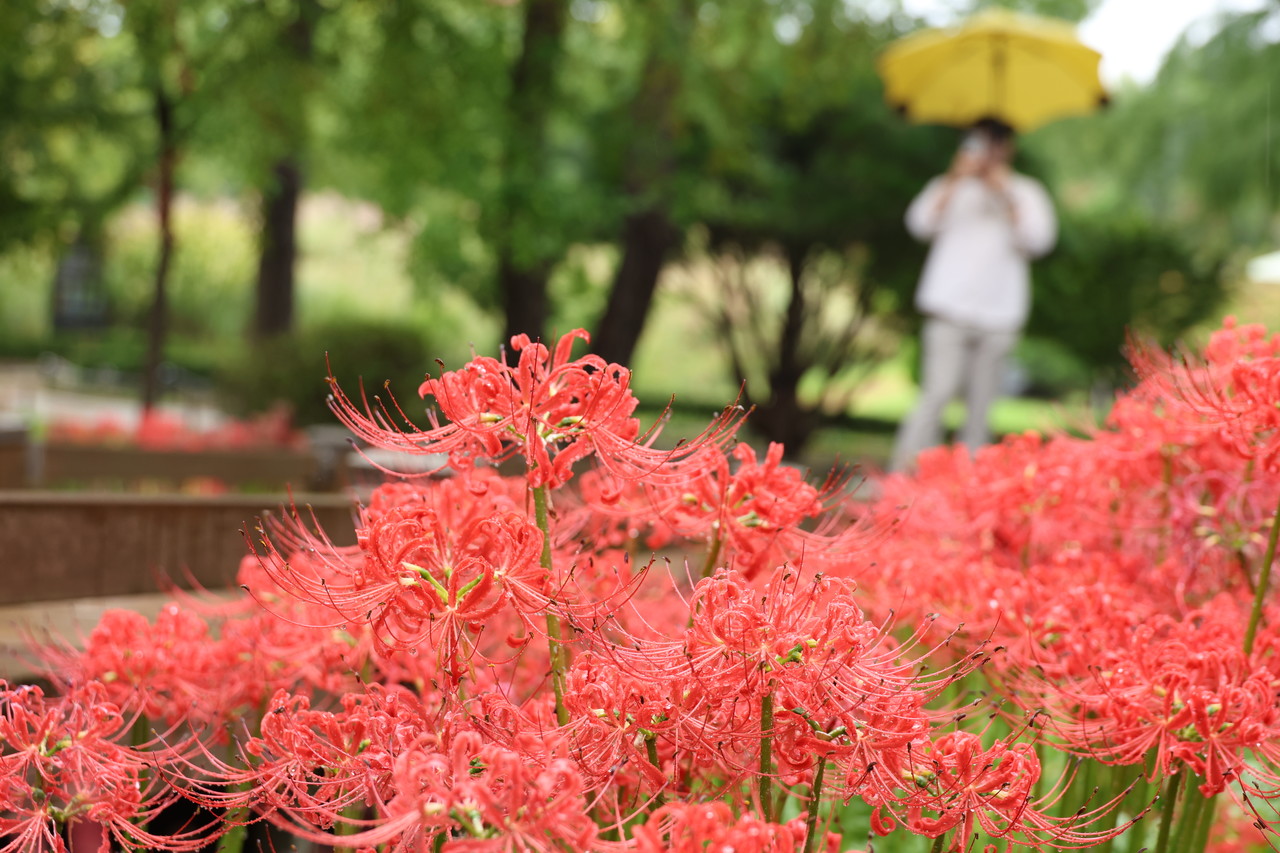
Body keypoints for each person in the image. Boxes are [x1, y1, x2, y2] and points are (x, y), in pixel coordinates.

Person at [889, 117, 1057, 472]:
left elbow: (1039, 240)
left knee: (981, 407)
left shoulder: (1026, 191)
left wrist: (1005, 195)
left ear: (1008, 148)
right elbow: (918, 223)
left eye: (995, 144)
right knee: (936, 394)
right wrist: (954, 179)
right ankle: (901, 478)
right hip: (949, 309)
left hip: (1000, 314)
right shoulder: (950, 186)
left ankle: (969, 489)